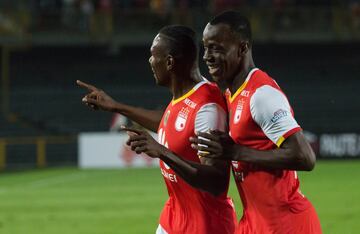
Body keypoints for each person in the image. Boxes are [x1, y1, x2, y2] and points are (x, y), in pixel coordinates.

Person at [77, 25, 237, 234]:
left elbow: (216, 181)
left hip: (204, 225)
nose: (150, 61)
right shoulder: (185, 97)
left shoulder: (208, 108)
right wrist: (116, 106)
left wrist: (162, 151)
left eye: (153, 56)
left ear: (169, 62)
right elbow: (169, 121)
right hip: (174, 217)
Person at [190, 11, 322, 234]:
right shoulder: (233, 93)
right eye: (206, 47)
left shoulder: (261, 94)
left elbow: (305, 157)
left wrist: (236, 152)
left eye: (217, 48)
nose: (207, 56)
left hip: (285, 224)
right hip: (254, 223)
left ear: (242, 48)